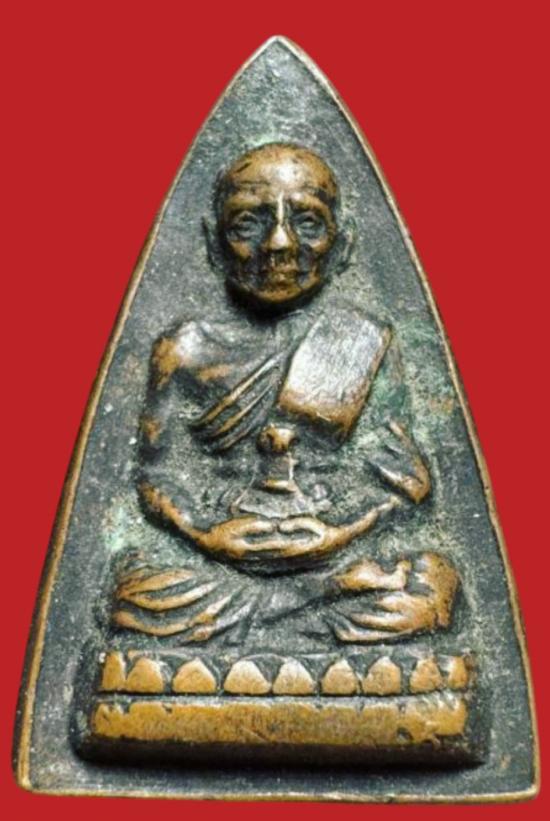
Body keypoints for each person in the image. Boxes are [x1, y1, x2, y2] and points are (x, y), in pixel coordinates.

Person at [112, 143, 458, 648]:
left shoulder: (362, 340)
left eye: (308, 223)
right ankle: (295, 623)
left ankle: (270, 623)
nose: (278, 243)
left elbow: (395, 482)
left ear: (343, 244)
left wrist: (347, 530)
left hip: (332, 560)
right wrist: (206, 535)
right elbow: (154, 478)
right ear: (213, 242)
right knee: (133, 592)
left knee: (435, 583)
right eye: (247, 224)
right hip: (216, 563)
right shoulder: (183, 349)